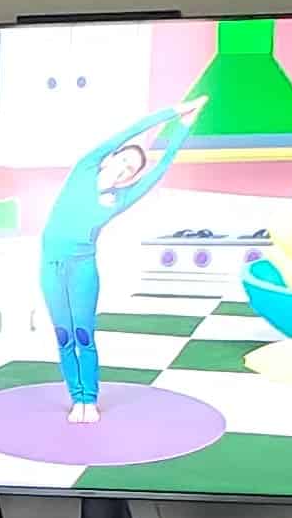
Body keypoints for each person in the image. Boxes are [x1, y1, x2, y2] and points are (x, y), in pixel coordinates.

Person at [37, 97, 195, 422]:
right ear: (111, 158)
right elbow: (125, 133)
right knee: (63, 336)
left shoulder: (120, 198)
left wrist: (183, 129)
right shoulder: (83, 169)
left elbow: (161, 168)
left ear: (129, 178)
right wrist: (173, 112)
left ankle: (89, 399)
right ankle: (74, 397)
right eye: (122, 160)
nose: (124, 168)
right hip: (50, 266)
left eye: (131, 169)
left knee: (83, 334)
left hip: (82, 268)